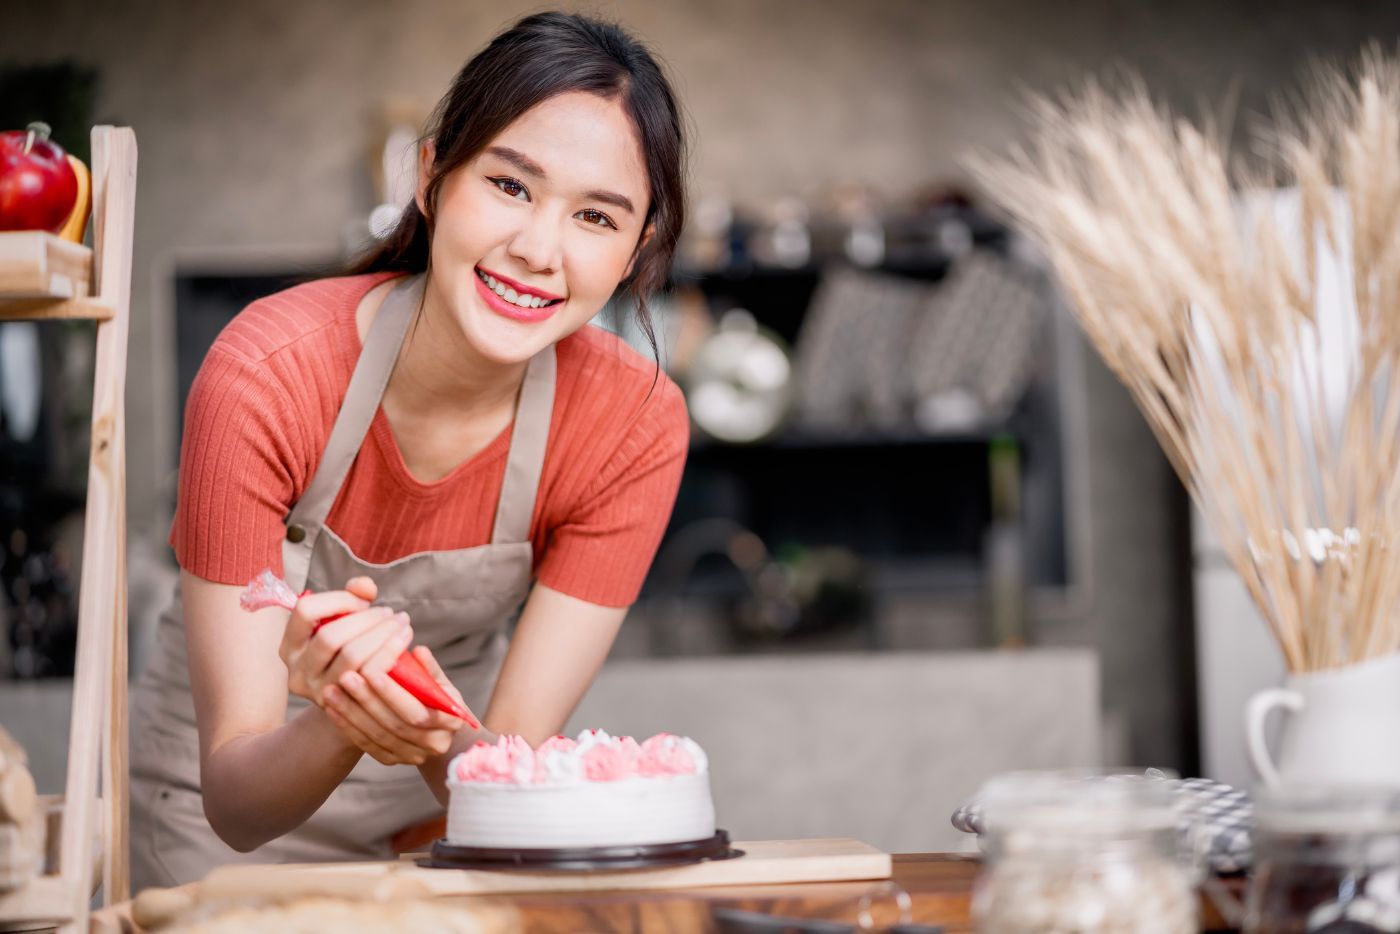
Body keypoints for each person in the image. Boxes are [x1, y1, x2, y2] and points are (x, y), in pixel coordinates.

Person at [129, 11, 689, 890]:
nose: (538, 250)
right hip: (222, 834)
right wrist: (341, 719)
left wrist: (411, 719)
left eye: (594, 216)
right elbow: (235, 804)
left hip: (450, 830)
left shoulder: (634, 424)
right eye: (510, 186)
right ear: (432, 177)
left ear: (637, 250)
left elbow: (505, 775)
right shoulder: (265, 375)